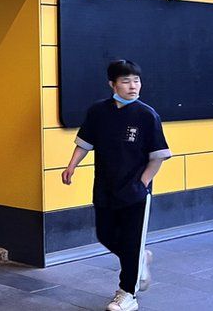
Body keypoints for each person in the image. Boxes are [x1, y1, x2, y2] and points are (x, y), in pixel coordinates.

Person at [61, 59, 172, 311]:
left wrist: (142, 184)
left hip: (135, 191)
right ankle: (140, 258)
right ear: (112, 84)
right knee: (106, 234)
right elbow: (85, 142)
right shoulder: (98, 111)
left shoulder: (147, 115)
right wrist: (71, 165)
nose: (133, 86)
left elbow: (159, 156)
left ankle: (127, 294)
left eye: (136, 80)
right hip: (105, 186)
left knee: (131, 241)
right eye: (126, 81)